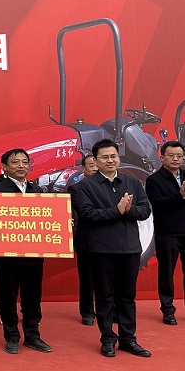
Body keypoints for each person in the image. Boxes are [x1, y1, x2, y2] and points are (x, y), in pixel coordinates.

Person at [76, 138, 152, 357]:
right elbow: (88, 215)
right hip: (101, 250)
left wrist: (128, 210)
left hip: (130, 249)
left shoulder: (132, 182)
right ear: (95, 160)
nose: (110, 160)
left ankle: (128, 339)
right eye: (105, 157)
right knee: (104, 297)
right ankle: (108, 339)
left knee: (127, 297)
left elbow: (145, 210)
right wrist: (116, 211)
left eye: (113, 156)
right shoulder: (84, 187)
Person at [0, 149, 51, 355]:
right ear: (4, 167)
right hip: (8, 255)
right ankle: (12, 336)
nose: (21, 166)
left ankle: (32, 336)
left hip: (34, 254)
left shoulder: (37, 189)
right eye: (15, 162)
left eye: (25, 162)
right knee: (8, 297)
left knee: (33, 297)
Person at [144, 140, 185, 326]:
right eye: (171, 155)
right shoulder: (154, 180)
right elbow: (158, 203)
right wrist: (180, 195)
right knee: (166, 273)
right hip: (167, 233)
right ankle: (168, 310)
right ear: (162, 157)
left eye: (179, 156)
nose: (176, 159)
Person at [67, 153, 99, 325]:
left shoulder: (115, 186)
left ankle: (110, 310)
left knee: (109, 277)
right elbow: (80, 211)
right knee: (87, 278)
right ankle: (87, 312)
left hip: (110, 239)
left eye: (97, 164)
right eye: (91, 165)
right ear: (83, 168)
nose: (95, 168)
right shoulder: (76, 189)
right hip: (86, 239)